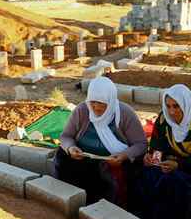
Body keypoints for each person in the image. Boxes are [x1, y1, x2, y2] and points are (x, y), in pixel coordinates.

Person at [134, 84, 191, 219]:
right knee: (147, 173)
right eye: (168, 106)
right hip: (165, 162)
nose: (172, 111)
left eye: (176, 106)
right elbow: (156, 146)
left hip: (189, 168)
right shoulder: (163, 119)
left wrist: (177, 164)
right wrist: (151, 157)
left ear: (185, 105)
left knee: (170, 182)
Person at [57, 76, 147, 207]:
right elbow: (65, 137)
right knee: (62, 156)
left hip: (113, 164)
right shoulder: (82, 111)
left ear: (110, 100)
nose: (96, 107)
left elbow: (141, 144)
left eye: (101, 103)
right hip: (83, 161)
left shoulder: (125, 114)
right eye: (93, 101)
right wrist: (71, 148)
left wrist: (124, 155)